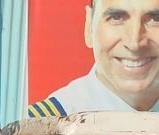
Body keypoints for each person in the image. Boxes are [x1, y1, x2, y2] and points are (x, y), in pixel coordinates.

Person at [29, 0, 159, 117]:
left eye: (156, 19)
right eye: (116, 17)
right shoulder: (35, 132)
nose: (134, 43)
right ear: (90, 27)